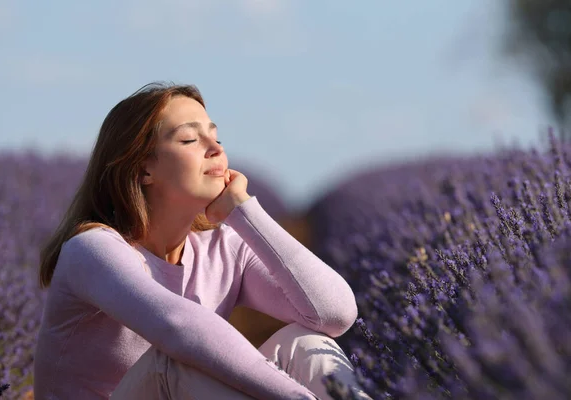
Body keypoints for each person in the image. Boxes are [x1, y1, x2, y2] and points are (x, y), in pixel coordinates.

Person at [32, 82, 372, 399]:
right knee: (175, 360)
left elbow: (334, 314)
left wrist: (244, 212)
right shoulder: (92, 249)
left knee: (304, 343)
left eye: (216, 137)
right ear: (143, 169)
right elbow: (180, 328)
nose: (215, 149)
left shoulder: (221, 247)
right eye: (189, 140)